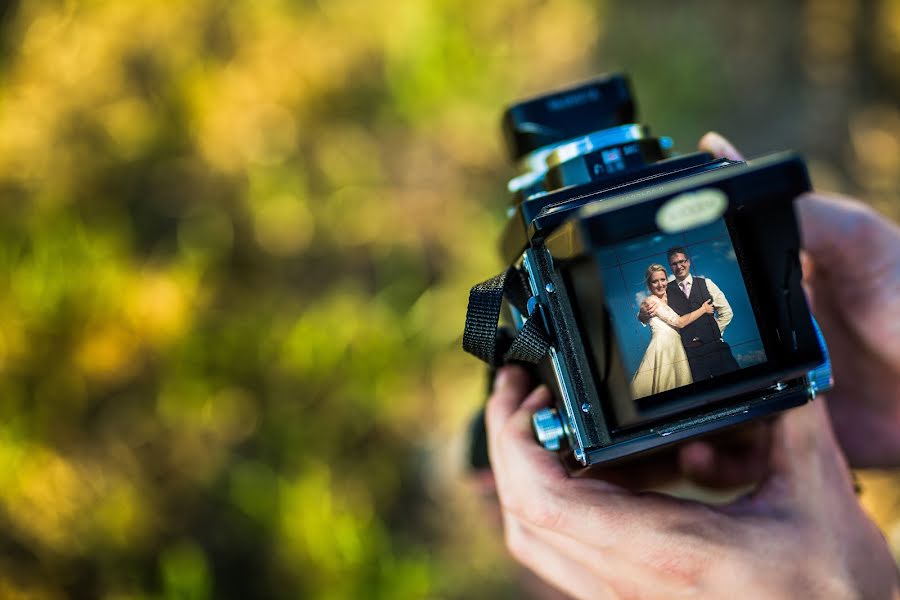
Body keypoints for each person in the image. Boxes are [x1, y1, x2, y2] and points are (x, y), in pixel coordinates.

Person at [482, 132, 900, 598]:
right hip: (680, 355)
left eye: (675, 265)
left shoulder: (702, 282)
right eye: (664, 269)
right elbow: (657, 320)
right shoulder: (649, 302)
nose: (670, 272)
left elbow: (724, 311)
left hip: (713, 353)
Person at [639, 247, 739, 381]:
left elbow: (726, 312)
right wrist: (642, 314)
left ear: (688, 262)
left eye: (682, 261)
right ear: (671, 266)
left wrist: (715, 333)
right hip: (690, 355)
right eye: (674, 264)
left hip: (716, 348)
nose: (679, 266)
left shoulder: (706, 283)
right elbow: (651, 309)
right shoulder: (666, 289)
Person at [631, 264, 715, 398]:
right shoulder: (652, 301)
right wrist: (703, 309)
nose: (660, 284)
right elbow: (679, 322)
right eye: (655, 281)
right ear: (649, 284)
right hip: (663, 348)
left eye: (663, 280)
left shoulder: (671, 295)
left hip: (676, 346)